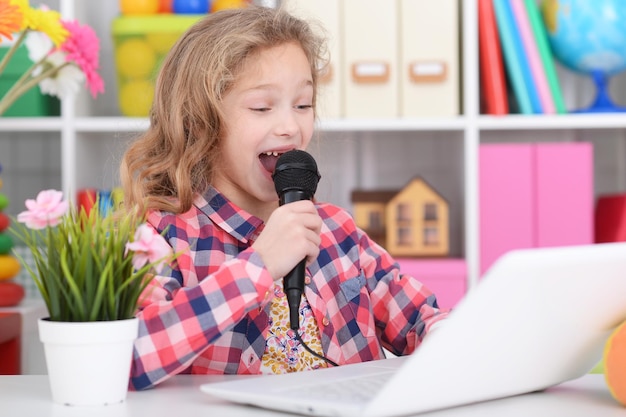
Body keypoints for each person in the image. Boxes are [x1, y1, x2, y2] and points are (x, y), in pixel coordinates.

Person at [119, 5, 448, 391]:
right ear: (199, 120)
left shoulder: (337, 231)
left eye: (304, 105)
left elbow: (422, 318)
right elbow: (130, 357)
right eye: (262, 107)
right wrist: (258, 266)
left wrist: (454, 338)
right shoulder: (162, 238)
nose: (291, 126)